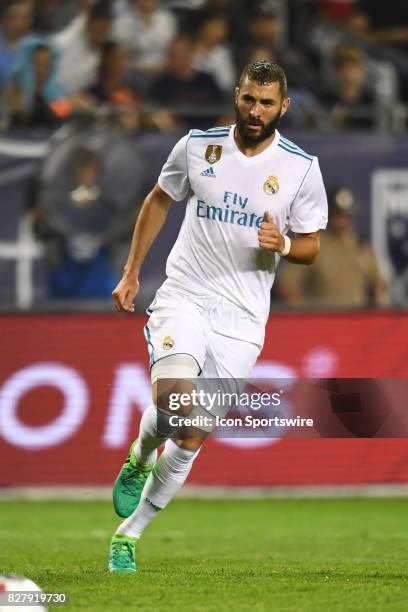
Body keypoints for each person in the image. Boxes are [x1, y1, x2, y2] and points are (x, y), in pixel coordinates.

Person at [107, 60, 328, 573]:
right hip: (185, 293)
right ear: (237, 95)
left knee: (190, 435)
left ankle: (128, 534)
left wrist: (287, 244)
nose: (255, 111)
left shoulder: (301, 168)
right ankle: (140, 456)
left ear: (283, 107)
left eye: (267, 102)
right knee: (176, 402)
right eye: (249, 99)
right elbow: (160, 200)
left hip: (243, 317)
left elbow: (313, 245)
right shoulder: (196, 147)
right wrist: (132, 272)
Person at [277, 186, 388, 307]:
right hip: (323, 320)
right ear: (328, 214)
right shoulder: (312, 244)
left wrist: (377, 306)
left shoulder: (362, 246)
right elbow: (287, 284)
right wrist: (305, 313)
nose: (343, 220)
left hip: (356, 321)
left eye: (347, 215)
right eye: (338, 215)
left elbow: (379, 284)